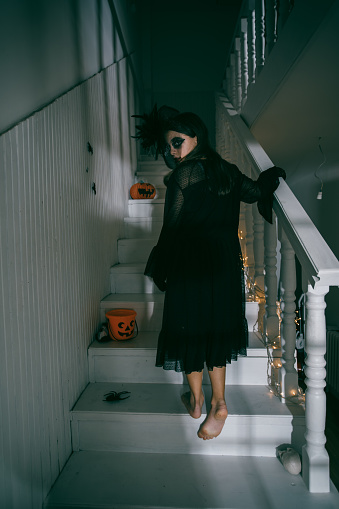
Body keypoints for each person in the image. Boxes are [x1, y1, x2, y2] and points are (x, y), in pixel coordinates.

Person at [134, 106, 285, 441]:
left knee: (187, 329)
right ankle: (219, 403)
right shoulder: (227, 171)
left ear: (196, 138)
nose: (171, 151)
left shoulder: (182, 176)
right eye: (168, 147)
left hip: (189, 263)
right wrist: (270, 176)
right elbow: (256, 192)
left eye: (177, 142)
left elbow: (171, 227)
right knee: (216, 330)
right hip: (224, 264)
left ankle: (198, 401)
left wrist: (161, 265)